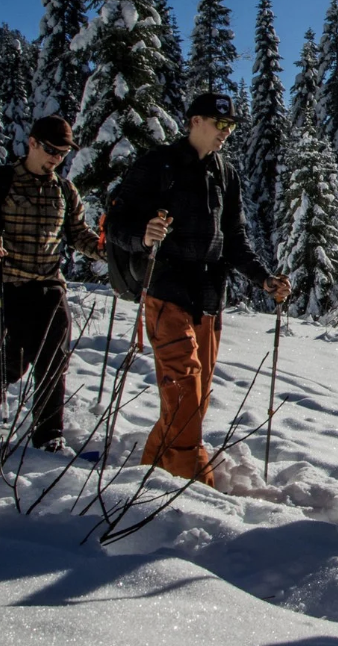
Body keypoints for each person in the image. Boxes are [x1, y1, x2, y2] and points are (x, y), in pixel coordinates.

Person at [106, 92, 290, 483]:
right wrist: (143, 235)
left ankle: (152, 470)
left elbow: (235, 239)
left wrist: (263, 278)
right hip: (166, 290)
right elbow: (116, 224)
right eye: (219, 123)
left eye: (231, 126)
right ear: (194, 122)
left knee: (196, 398)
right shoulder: (158, 165)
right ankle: (191, 485)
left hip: (209, 297)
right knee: (185, 392)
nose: (226, 132)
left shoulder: (226, 173)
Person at [0, 115, 106, 451]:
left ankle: (48, 435)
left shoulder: (65, 190)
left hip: (50, 283)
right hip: (6, 281)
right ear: (33, 143)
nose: (57, 157)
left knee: (55, 357)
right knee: (15, 356)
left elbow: (77, 235)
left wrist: (102, 248)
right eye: (52, 149)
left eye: (64, 152)